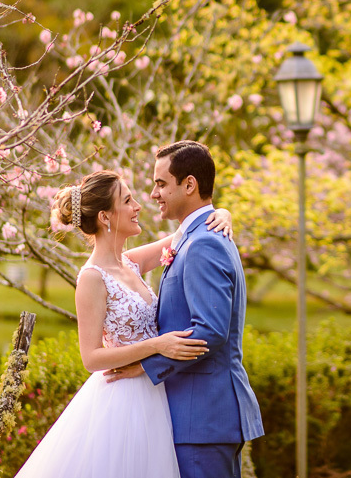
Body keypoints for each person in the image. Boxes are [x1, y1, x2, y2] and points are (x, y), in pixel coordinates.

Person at [13, 168, 234, 478]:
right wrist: (157, 345)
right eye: (128, 201)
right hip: (122, 401)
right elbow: (91, 358)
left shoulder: (130, 262)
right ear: (105, 217)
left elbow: (189, 231)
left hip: (155, 393)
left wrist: (222, 213)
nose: (138, 206)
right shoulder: (92, 278)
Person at [106, 140, 264, 478]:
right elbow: (116, 266)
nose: (152, 194)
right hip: (194, 417)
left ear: (189, 185)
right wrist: (221, 210)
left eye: (161, 183)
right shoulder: (191, 236)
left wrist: (146, 365)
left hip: (203, 418)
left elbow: (211, 332)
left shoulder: (204, 242)